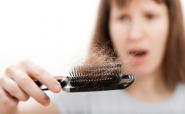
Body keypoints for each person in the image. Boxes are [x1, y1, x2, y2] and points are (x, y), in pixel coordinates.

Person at [0, 0, 185, 114]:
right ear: (108, 27)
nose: (135, 34)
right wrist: (5, 104)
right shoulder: (83, 98)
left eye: (150, 16)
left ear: (172, 24)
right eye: (123, 17)